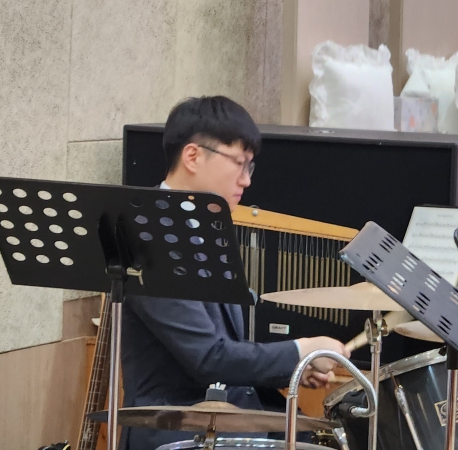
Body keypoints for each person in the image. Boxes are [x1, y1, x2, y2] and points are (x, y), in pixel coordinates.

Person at [120, 96, 350, 450]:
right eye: (239, 164)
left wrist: (294, 368)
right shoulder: (149, 237)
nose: (246, 181)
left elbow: (230, 350)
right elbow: (208, 357)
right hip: (176, 431)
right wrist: (300, 350)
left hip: (225, 420)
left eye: (250, 167)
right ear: (193, 156)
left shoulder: (209, 228)